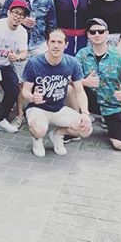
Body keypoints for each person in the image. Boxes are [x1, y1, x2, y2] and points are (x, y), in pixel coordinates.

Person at [0, 0, 57, 129]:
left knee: (43, 79)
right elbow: (3, 17)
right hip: (18, 45)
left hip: (39, 44)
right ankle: (19, 114)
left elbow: (52, 23)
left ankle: (40, 112)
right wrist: (21, 20)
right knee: (19, 81)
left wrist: (50, 44)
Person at [21, 29, 93, 157]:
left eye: (60, 42)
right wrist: (32, 97)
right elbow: (24, 92)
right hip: (38, 108)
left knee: (86, 129)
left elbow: (80, 91)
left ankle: (57, 134)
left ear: (66, 45)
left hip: (59, 109)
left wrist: (85, 113)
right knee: (39, 130)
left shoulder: (72, 63)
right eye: (52, 41)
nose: (55, 45)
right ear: (47, 44)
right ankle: (37, 140)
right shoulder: (34, 63)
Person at [76, 18, 121, 150]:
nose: (96, 35)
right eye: (92, 32)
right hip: (90, 101)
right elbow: (70, 78)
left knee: (120, 145)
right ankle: (78, 120)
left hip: (114, 103)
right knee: (70, 89)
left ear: (107, 33)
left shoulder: (119, 55)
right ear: (88, 35)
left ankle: (112, 124)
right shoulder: (82, 54)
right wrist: (85, 82)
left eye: (100, 31)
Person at [0, 0, 29, 141]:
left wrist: (17, 56)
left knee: (14, 89)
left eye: (21, 14)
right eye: (15, 12)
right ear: (9, 12)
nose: (18, 17)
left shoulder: (22, 31)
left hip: (5, 64)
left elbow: (24, 52)